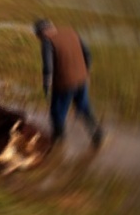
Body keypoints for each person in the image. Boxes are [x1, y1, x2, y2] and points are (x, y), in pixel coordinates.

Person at [33, 19, 103, 148]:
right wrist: (86, 71)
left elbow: (48, 67)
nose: (39, 39)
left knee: (57, 111)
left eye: (38, 35)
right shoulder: (71, 32)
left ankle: (59, 140)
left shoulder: (47, 42)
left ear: (41, 32)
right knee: (83, 106)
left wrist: (46, 85)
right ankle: (97, 133)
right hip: (82, 79)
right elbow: (87, 53)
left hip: (64, 83)